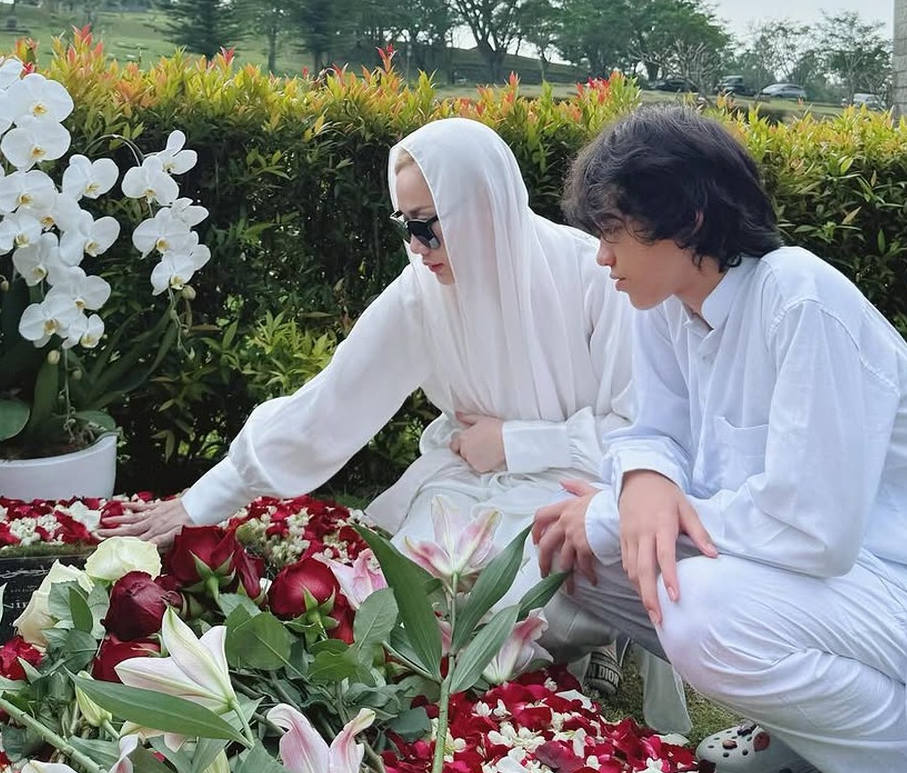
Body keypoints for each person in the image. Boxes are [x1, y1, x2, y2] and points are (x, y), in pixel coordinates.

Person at [531, 104, 907, 773]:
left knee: (701, 611)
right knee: (577, 553)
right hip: (818, 581)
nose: (601, 256)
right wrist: (643, 479)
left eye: (613, 229)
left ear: (687, 218)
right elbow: (652, 429)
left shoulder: (799, 297)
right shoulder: (665, 307)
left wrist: (621, 512)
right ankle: (804, 736)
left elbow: (814, 528)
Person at [104, 116, 634, 638]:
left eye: (426, 225)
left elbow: (642, 433)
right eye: (405, 226)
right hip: (469, 484)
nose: (416, 247)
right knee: (402, 598)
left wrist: (514, 443)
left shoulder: (594, 276)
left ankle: (598, 649)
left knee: (510, 594)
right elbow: (331, 404)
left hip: (579, 488)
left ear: (480, 208)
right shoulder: (421, 293)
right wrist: (200, 502)